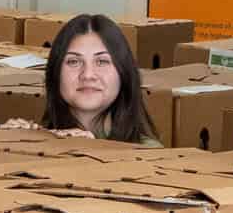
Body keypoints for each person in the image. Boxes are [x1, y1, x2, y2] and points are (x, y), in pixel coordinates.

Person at [39, 12, 158, 143]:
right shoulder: (32, 144)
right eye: (74, 62)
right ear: (55, 73)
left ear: (123, 72)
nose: (88, 75)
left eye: (101, 61)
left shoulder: (149, 153)